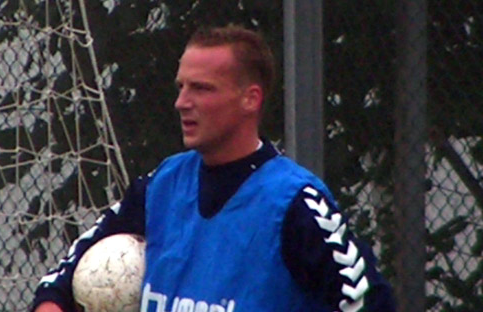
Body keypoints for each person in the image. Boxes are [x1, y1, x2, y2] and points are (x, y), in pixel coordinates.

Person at [31, 25, 396, 312]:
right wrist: (52, 302)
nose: (181, 103)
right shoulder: (162, 186)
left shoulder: (294, 203)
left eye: (201, 89)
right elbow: (66, 271)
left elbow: (367, 302)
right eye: (181, 87)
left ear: (250, 99)